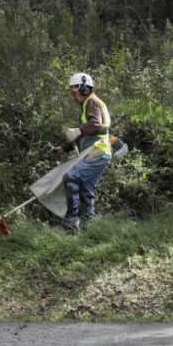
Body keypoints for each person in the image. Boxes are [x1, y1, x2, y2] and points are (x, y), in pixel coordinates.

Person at [50, 72, 112, 230]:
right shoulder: (86, 107)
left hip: (97, 152)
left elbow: (95, 123)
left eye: (74, 92)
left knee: (71, 177)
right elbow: (83, 136)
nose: (73, 97)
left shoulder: (91, 102)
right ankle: (89, 228)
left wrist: (77, 130)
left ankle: (71, 221)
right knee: (86, 191)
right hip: (97, 153)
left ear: (84, 88)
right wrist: (62, 149)